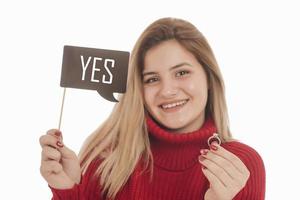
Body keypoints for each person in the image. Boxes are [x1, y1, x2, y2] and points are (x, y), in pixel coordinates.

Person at [39, 17, 266, 200]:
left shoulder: (240, 166)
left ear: (208, 77)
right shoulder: (105, 159)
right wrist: (67, 191)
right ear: (139, 89)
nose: (167, 90)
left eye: (182, 72)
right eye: (151, 79)